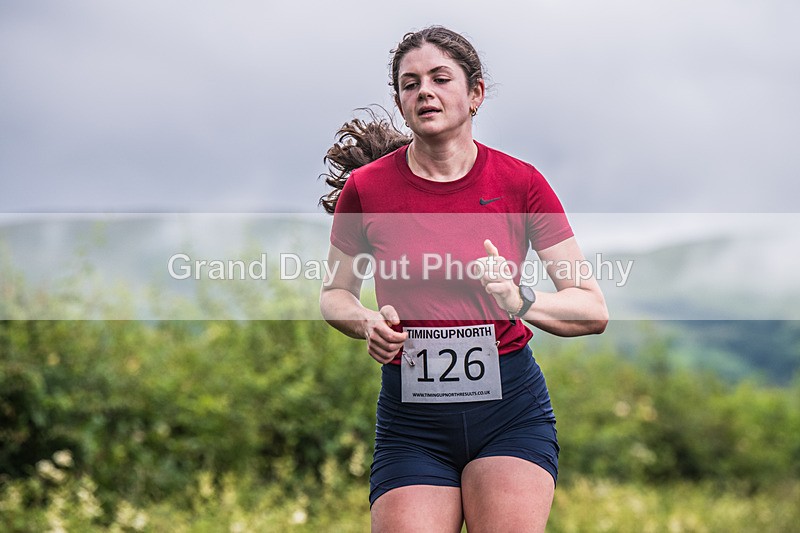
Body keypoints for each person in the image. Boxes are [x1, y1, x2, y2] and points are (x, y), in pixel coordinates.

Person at [319, 26, 608, 533]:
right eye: (410, 84)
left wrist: (519, 299)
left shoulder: (520, 182)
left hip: (510, 413)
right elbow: (334, 295)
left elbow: (591, 309)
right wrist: (366, 322)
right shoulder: (368, 189)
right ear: (401, 103)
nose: (424, 91)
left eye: (440, 78)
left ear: (474, 94)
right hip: (412, 422)